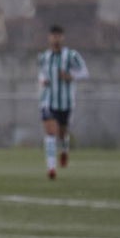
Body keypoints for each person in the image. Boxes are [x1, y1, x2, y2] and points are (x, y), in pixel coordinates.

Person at [38, 24, 88, 179]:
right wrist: (42, 81)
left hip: (65, 102)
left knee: (62, 133)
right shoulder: (44, 57)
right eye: (53, 35)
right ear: (49, 37)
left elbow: (85, 73)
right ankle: (51, 168)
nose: (55, 38)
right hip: (48, 100)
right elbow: (41, 74)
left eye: (58, 35)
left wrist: (70, 76)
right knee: (50, 132)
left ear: (62, 37)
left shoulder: (71, 56)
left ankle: (64, 150)